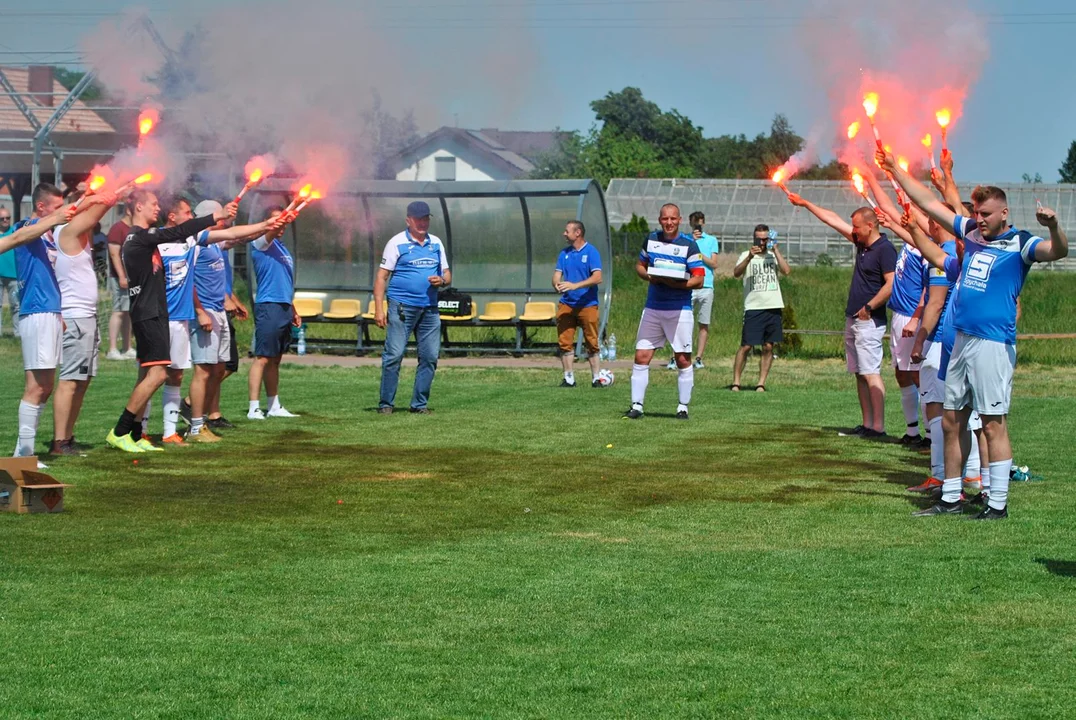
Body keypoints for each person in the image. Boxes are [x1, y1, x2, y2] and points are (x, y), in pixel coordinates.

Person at [884, 149, 1068, 519]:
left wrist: (1052, 224)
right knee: (952, 420)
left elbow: (1059, 251)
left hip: (993, 344)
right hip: (962, 341)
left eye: (986, 214)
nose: (979, 220)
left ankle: (997, 503)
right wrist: (894, 170)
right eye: (976, 214)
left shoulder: (1021, 244)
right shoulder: (970, 233)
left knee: (992, 422)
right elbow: (929, 203)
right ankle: (951, 498)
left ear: (1004, 214)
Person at [106, 192, 276, 452]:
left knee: (159, 375)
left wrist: (264, 226)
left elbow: (230, 235)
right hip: (153, 315)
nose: (157, 207)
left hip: (163, 316)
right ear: (139, 207)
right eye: (153, 203)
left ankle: (139, 433)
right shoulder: (141, 236)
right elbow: (178, 232)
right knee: (157, 374)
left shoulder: (164, 237)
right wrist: (214, 216)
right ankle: (122, 431)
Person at [787, 192, 896, 438]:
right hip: (854, 318)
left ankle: (878, 427)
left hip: (870, 320)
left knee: (871, 372)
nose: (853, 231)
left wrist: (869, 307)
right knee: (859, 372)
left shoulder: (885, 249)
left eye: (857, 227)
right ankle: (867, 423)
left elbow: (890, 284)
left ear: (871, 225)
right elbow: (833, 220)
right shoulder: (862, 243)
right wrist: (805, 203)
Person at [50, 188, 123, 456]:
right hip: (76, 317)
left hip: (87, 318)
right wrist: (111, 194)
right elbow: (92, 216)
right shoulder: (65, 232)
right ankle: (59, 442)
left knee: (83, 379)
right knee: (70, 380)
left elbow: (90, 219)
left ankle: (68, 436)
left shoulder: (78, 234)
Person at [10, 184, 79, 464]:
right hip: (37, 312)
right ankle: (22, 454)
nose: (61, 212)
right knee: (36, 387)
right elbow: (22, 233)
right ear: (41, 207)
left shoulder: (48, 236)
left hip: (49, 313)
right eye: (55, 207)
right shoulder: (29, 226)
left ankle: (24, 453)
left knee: (46, 386)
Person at [861, 172, 927, 445]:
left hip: (913, 317)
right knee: (902, 374)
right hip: (899, 315)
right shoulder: (910, 243)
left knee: (918, 375)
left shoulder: (926, 247)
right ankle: (912, 432)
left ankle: (932, 436)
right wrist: (872, 177)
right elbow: (887, 208)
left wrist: (915, 318)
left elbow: (929, 288)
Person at [625, 203, 705, 420]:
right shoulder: (651, 239)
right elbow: (640, 266)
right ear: (659, 220)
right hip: (653, 308)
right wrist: (650, 277)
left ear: (679, 220)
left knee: (682, 359)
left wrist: (679, 285)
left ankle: (682, 407)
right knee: (642, 355)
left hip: (679, 310)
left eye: (673, 219)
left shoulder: (689, 244)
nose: (669, 223)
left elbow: (699, 278)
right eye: (664, 219)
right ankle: (637, 406)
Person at [374, 200, 451, 415]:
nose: (422, 223)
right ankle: (386, 403)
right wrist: (379, 309)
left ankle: (419, 405)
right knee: (394, 354)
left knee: (429, 357)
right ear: (408, 220)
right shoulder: (396, 243)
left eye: (425, 218)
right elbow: (382, 277)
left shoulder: (436, 243)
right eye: (418, 219)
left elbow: (447, 274)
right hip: (402, 307)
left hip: (430, 309)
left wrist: (442, 281)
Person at [155, 196, 201, 445]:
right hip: (159, 319)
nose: (192, 216)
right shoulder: (154, 241)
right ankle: (137, 429)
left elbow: (234, 234)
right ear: (173, 216)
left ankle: (169, 431)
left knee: (177, 375)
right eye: (187, 212)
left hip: (181, 319)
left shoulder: (190, 239)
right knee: (152, 375)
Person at [248, 207, 301, 419]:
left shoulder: (282, 247)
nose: (282, 224)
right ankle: (254, 408)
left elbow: (284, 281)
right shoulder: (261, 242)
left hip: (283, 306)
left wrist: (292, 308)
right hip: (268, 305)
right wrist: (283, 217)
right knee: (262, 357)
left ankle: (274, 406)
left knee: (275, 359)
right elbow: (271, 230)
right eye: (277, 220)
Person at [731, 224, 790, 391]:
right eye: (759, 239)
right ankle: (736, 381)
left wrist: (777, 250)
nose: (762, 242)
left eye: (765, 239)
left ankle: (761, 383)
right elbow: (736, 273)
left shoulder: (772, 255)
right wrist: (749, 256)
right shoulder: (746, 255)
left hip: (773, 305)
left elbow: (786, 271)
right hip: (753, 306)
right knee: (746, 345)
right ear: (754, 238)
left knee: (768, 346)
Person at [553, 220, 603, 387]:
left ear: (578, 233)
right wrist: (556, 284)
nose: (564, 234)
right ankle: (568, 378)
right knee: (565, 341)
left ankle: (596, 378)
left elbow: (597, 278)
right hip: (567, 304)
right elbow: (557, 274)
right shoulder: (564, 253)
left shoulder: (591, 252)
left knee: (592, 342)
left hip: (587, 304)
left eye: (567, 231)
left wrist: (574, 285)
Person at [667, 212, 720, 370]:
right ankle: (676, 356)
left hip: (706, 286)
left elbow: (714, 263)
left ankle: (698, 357)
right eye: (695, 223)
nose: (698, 226)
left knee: (703, 323)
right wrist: (692, 243)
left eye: (700, 223)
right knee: (681, 322)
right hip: (688, 285)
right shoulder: (685, 240)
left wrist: (699, 254)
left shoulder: (711, 240)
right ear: (690, 224)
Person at [106, 200, 135, 360]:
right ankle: (112, 349)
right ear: (130, 211)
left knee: (128, 312)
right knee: (118, 311)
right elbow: (114, 254)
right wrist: (122, 275)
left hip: (132, 277)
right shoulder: (117, 229)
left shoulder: (133, 229)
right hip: (119, 278)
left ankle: (127, 347)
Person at [0, 205, 19, 337]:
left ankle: (18, 334)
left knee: (16, 305)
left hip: (13, 275)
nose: (6, 220)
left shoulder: (15, 232)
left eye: (8, 218)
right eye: (2, 219)